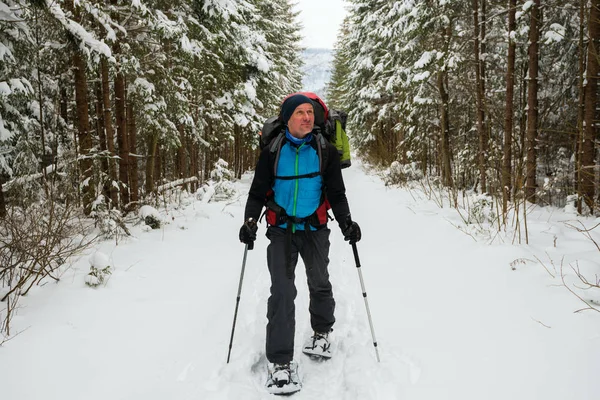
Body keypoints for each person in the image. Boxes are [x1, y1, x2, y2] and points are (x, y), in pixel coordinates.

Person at [239, 93, 361, 392]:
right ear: (288, 118)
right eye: (300, 113)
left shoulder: (325, 151)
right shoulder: (272, 151)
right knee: (281, 290)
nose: (307, 117)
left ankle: (321, 332)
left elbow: (336, 192)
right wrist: (250, 222)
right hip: (281, 229)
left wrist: (347, 222)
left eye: (310, 112)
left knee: (319, 281)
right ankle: (281, 362)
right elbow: (257, 193)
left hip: (315, 227)